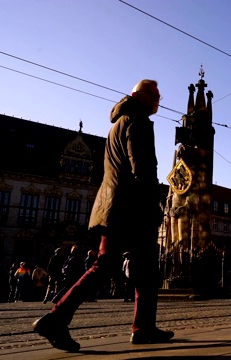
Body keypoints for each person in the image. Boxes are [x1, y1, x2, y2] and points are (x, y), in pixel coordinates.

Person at [32, 79, 172, 352]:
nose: (159, 100)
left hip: (114, 206)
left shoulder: (117, 124)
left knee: (128, 268)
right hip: (133, 209)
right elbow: (142, 168)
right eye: (156, 96)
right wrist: (154, 204)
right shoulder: (138, 121)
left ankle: (143, 328)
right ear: (141, 97)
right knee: (129, 269)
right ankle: (57, 318)